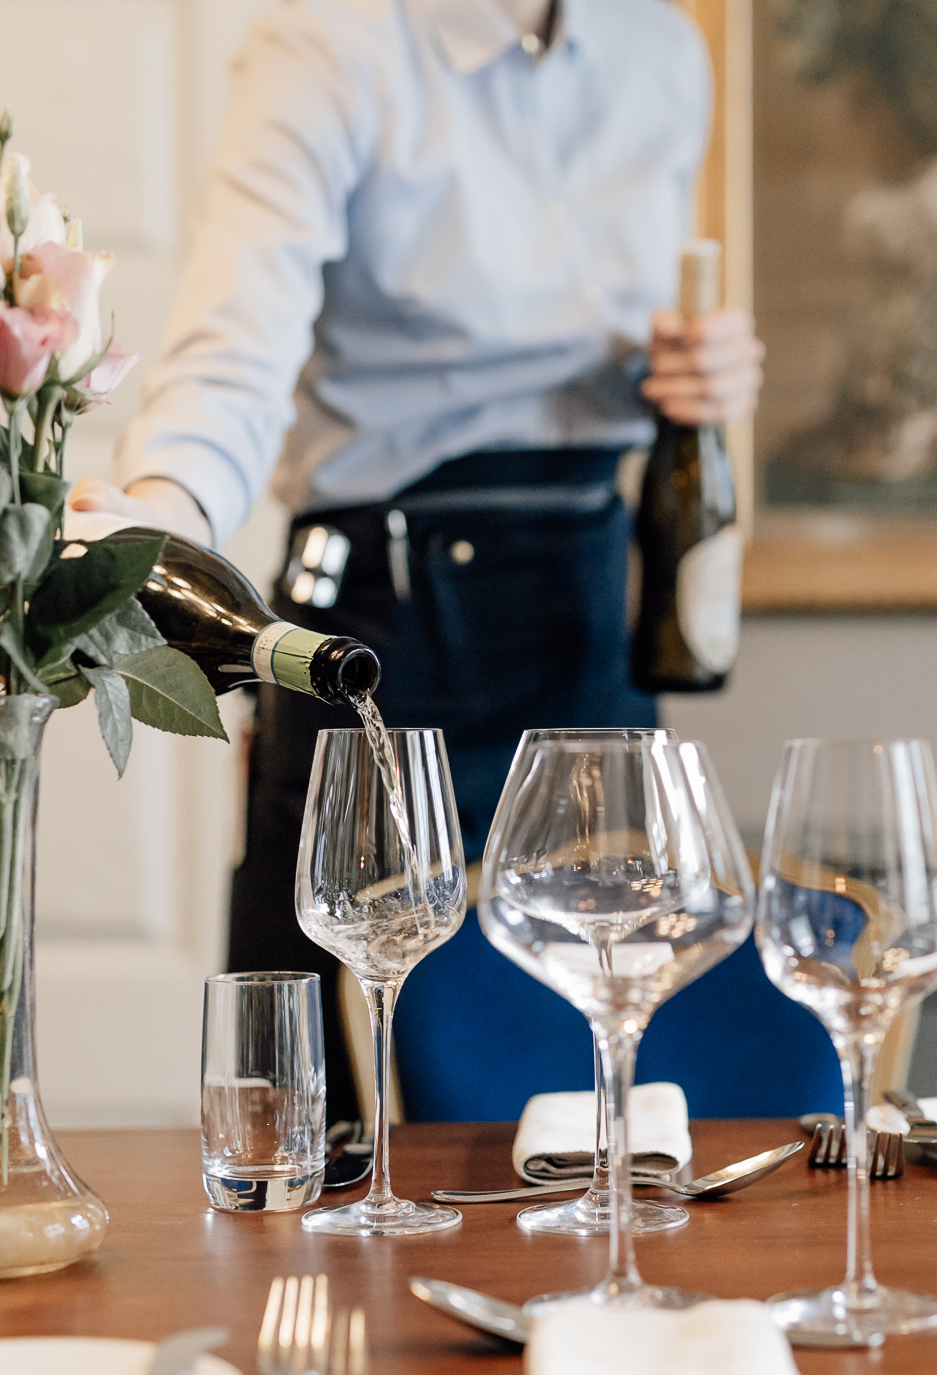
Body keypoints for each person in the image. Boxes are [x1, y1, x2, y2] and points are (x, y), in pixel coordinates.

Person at [67, 0, 766, 1122]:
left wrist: (695, 369)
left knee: (596, 1073)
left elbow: (622, 322)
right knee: (325, 1100)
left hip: (586, 590)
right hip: (384, 618)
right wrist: (158, 519)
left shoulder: (662, 50)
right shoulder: (330, 41)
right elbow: (234, 343)